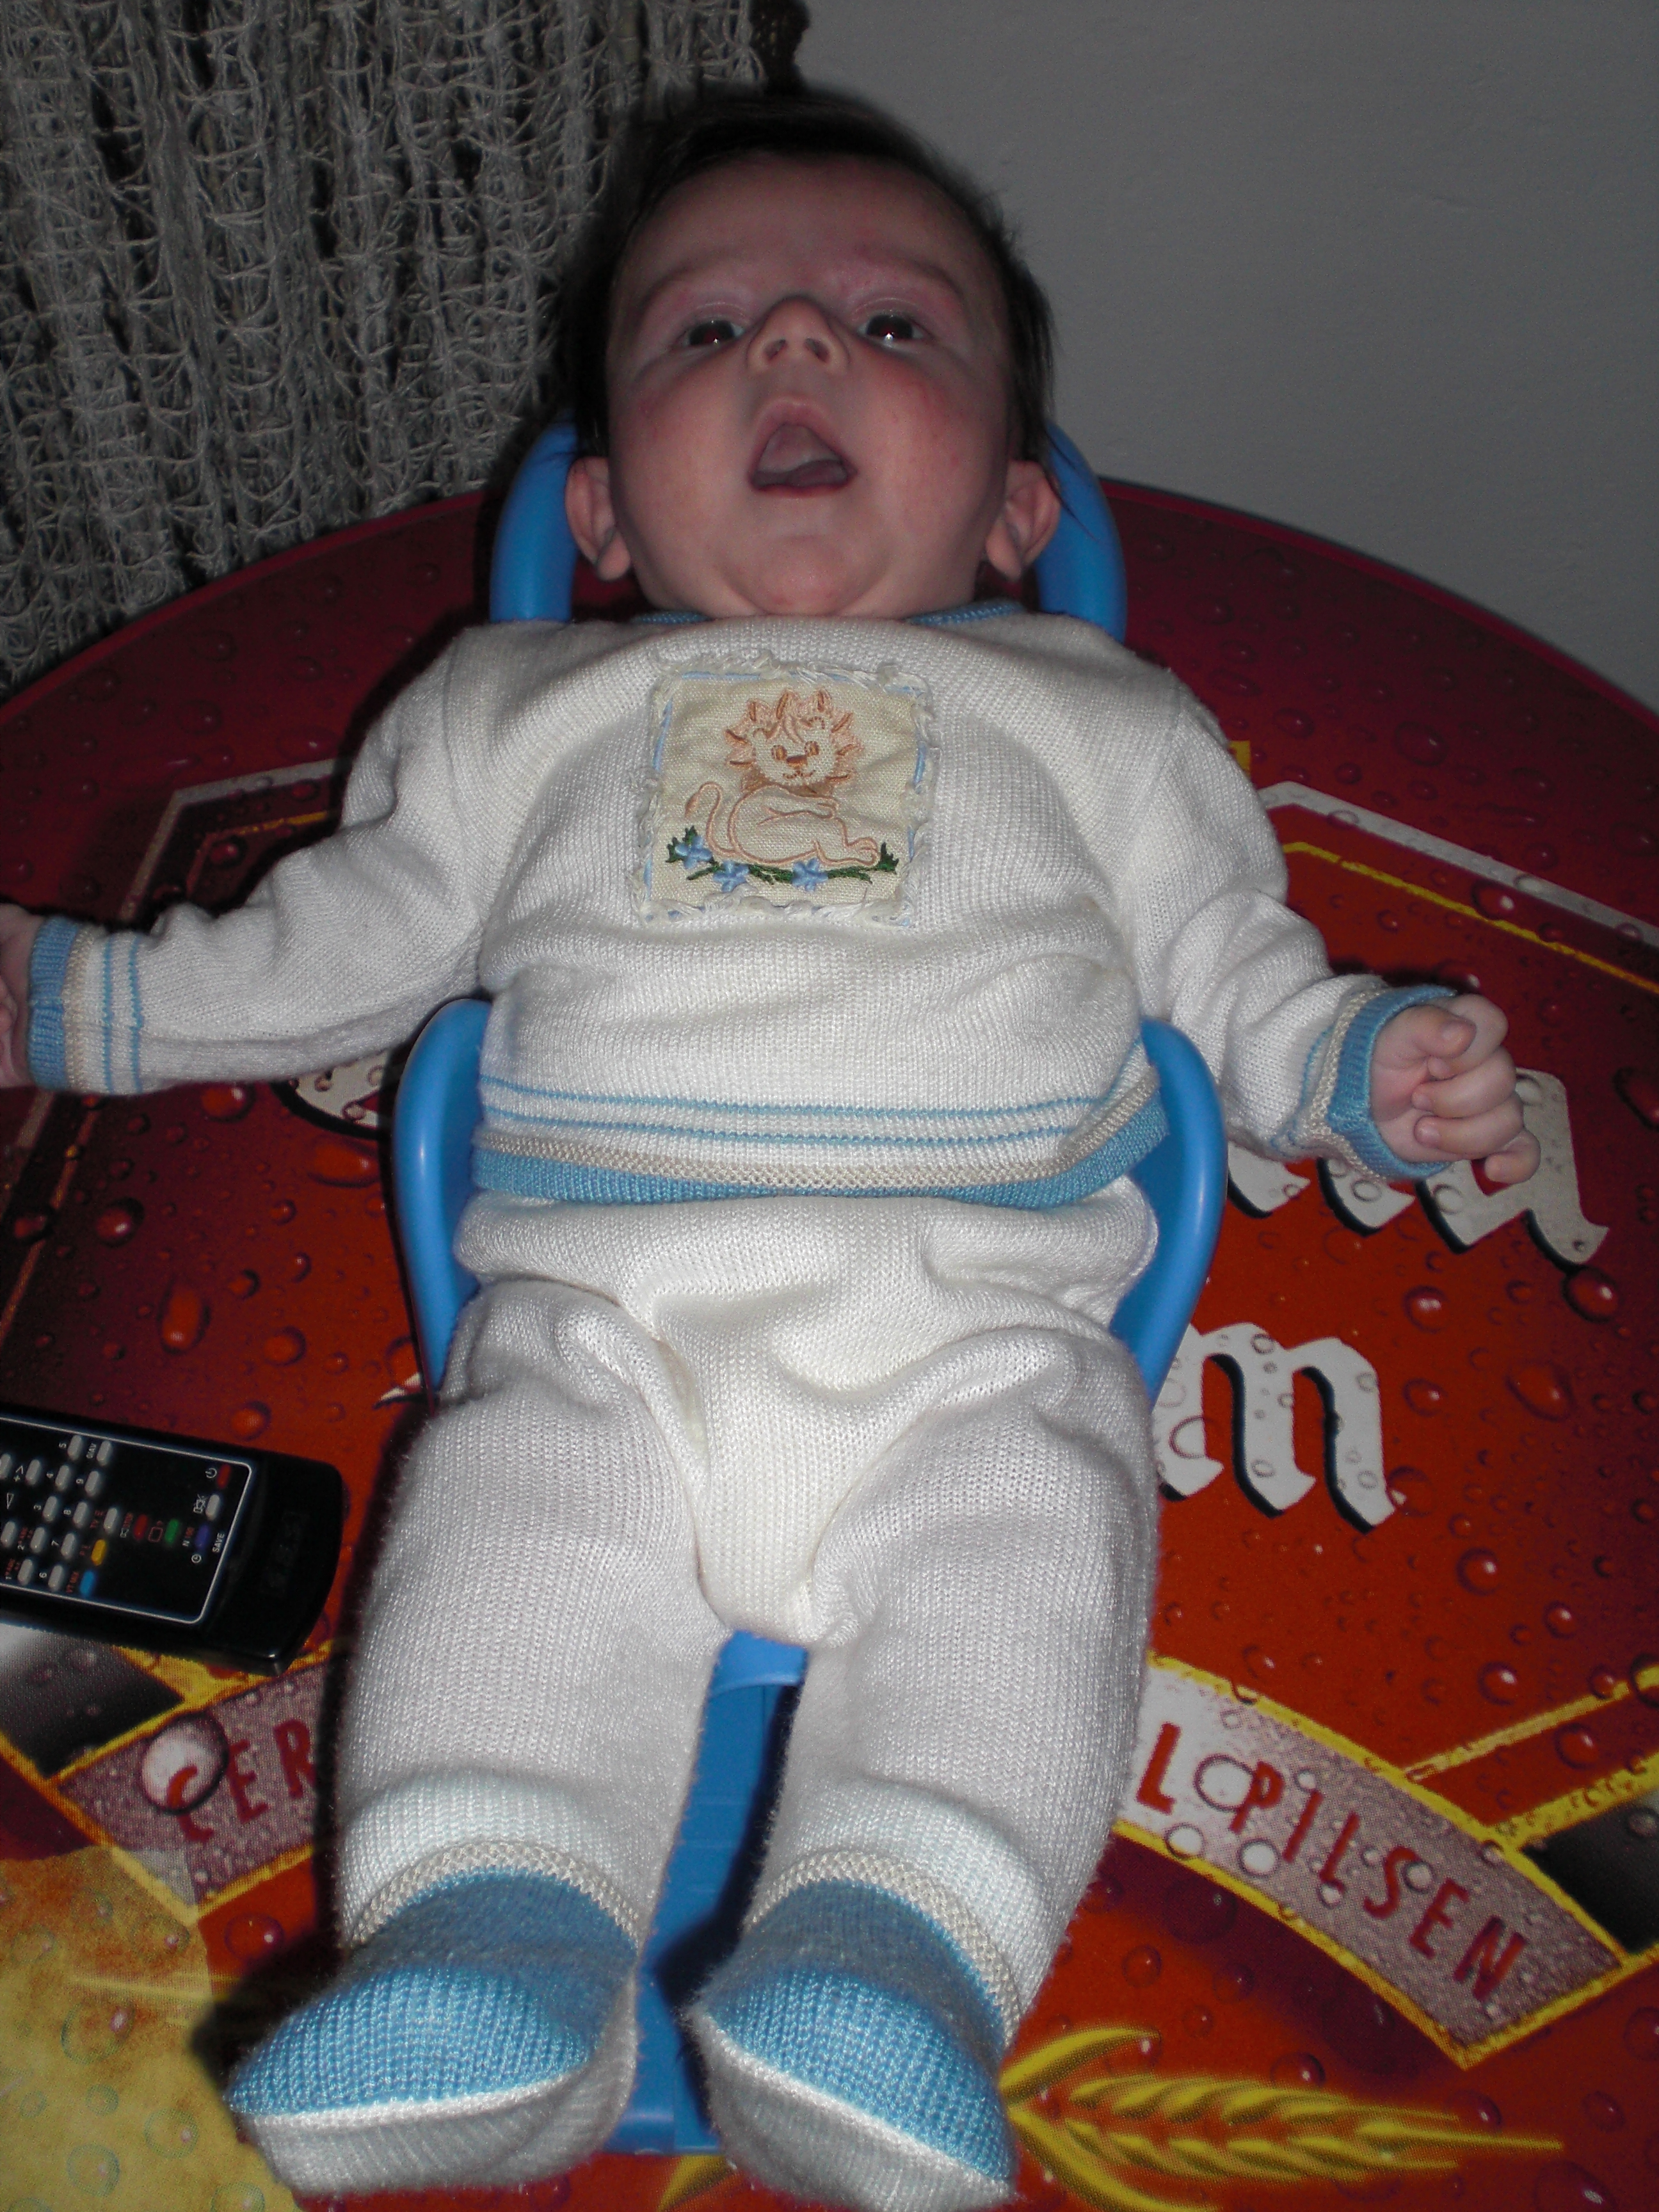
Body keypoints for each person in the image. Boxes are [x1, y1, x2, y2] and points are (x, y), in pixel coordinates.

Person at [0, 89, 1535, 2212]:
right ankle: (493, 1951)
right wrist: (78, 1003)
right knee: (503, 1552)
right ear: (602, 511)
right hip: (607, 1339)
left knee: (1033, 1574)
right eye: (707, 330)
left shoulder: (1107, 726)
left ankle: (886, 1963)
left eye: (891, 329)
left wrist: (1364, 1066)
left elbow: (1231, 969)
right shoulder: (508, 710)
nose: (797, 348)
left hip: (979, 1347)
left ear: (1019, 507)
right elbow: (330, 953)